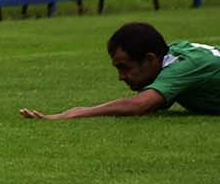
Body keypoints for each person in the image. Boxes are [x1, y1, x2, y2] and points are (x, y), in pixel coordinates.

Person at [20, 22, 220, 119]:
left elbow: (138, 105)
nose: (121, 77)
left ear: (150, 59)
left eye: (125, 67)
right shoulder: (173, 55)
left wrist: (73, 113)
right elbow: (153, 104)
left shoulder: (184, 67)